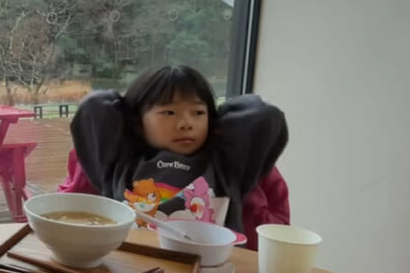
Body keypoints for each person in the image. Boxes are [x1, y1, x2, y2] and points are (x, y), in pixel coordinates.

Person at [62, 64, 288, 238]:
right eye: (169, 113)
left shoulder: (226, 165)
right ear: (137, 122)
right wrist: (124, 113)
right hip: (128, 269)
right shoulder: (119, 161)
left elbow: (263, 116)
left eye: (198, 113)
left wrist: (220, 123)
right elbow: (94, 107)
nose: (186, 123)